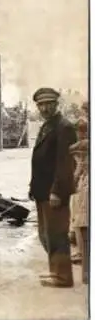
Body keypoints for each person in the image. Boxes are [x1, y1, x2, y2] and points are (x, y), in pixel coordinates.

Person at [28, 87, 77, 288]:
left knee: (57, 234)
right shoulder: (47, 126)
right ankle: (55, 271)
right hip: (43, 191)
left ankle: (63, 277)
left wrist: (57, 190)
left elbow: (65, 163)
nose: (44, 108)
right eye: (41, 105)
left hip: (54, 192)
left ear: (56, 105)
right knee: (46, 234)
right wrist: (33, 186)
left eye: (48, 104)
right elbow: (40, 160)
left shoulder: (64, 127)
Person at [69, 104, 89, 284]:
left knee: (80, 221)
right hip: (83, 181)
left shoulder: (83, 144)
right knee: (79, 220)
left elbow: (80, 167)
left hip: (85, 183)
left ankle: (83, 255)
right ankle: (81, 253)